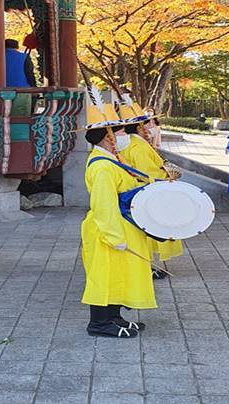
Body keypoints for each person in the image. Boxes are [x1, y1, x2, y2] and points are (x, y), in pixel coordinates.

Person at [80, 89, 155, 337]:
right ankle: (99, 323)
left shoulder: (111, 160)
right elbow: (104, 205)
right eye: (120, 131)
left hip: (120, 225)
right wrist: (113, 236)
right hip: (107, 229)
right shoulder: (102, 167)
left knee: (117, 274)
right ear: (107, 137)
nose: (125, 135)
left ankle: (114, 317)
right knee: (104, 274)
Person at [117, 95, 182, 278]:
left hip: (135, 193)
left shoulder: (131, 143)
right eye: (145, 125)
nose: (148, 128)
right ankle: (145, 267)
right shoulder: (137, 146)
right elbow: (147, 173)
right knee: (148, 232)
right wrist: (167, 175)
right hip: (145, 192)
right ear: (137, 127)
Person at [5, 38, 37, 116]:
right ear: (17, 47)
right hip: (23, 89)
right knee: (21, 117)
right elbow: (29, 74)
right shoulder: (24, 57)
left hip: (2, 90)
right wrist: (34, 88)